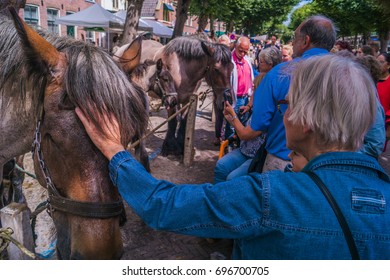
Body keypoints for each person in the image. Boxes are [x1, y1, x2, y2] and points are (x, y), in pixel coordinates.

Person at [76, 54, 390, 259]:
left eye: (288, 106)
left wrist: (114, 150)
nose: (284, 114)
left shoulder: (272, 195)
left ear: (306, 122)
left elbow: (163, 206)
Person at [223, 15, 385, 172]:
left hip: (282, 163)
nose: (292, 43)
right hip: (330, 169)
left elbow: (255, 128)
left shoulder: (279, 74)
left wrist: (233, 118)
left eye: (295, 38)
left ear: (306, 41)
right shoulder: (352, 74)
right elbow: (372, 129)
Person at [214, 47, 281, 183]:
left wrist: (233, 118)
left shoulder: (270, 98)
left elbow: (246, 133)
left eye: (261, 62)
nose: (258, 64)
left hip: (257, 154)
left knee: (232, 178)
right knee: (221, 166)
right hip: (245, 148)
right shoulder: (262, 85)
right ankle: (217, 198)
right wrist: (249, 106)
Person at [223, 36, 254, 141]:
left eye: (245, 52)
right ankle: (228, 147)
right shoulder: (228, 61)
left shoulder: (247, 61)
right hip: (234, 99)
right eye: (240, 51)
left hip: (246, 99)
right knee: (231, 126)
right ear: (235, 46)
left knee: (243, 126)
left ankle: (239, 146)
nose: (243, 54)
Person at [377, 52, 390, 144]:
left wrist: (388, 131)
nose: (378, 65)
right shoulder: (371, 79)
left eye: (381, 62)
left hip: (383, 127)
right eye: (376, 62)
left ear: (388, 65)